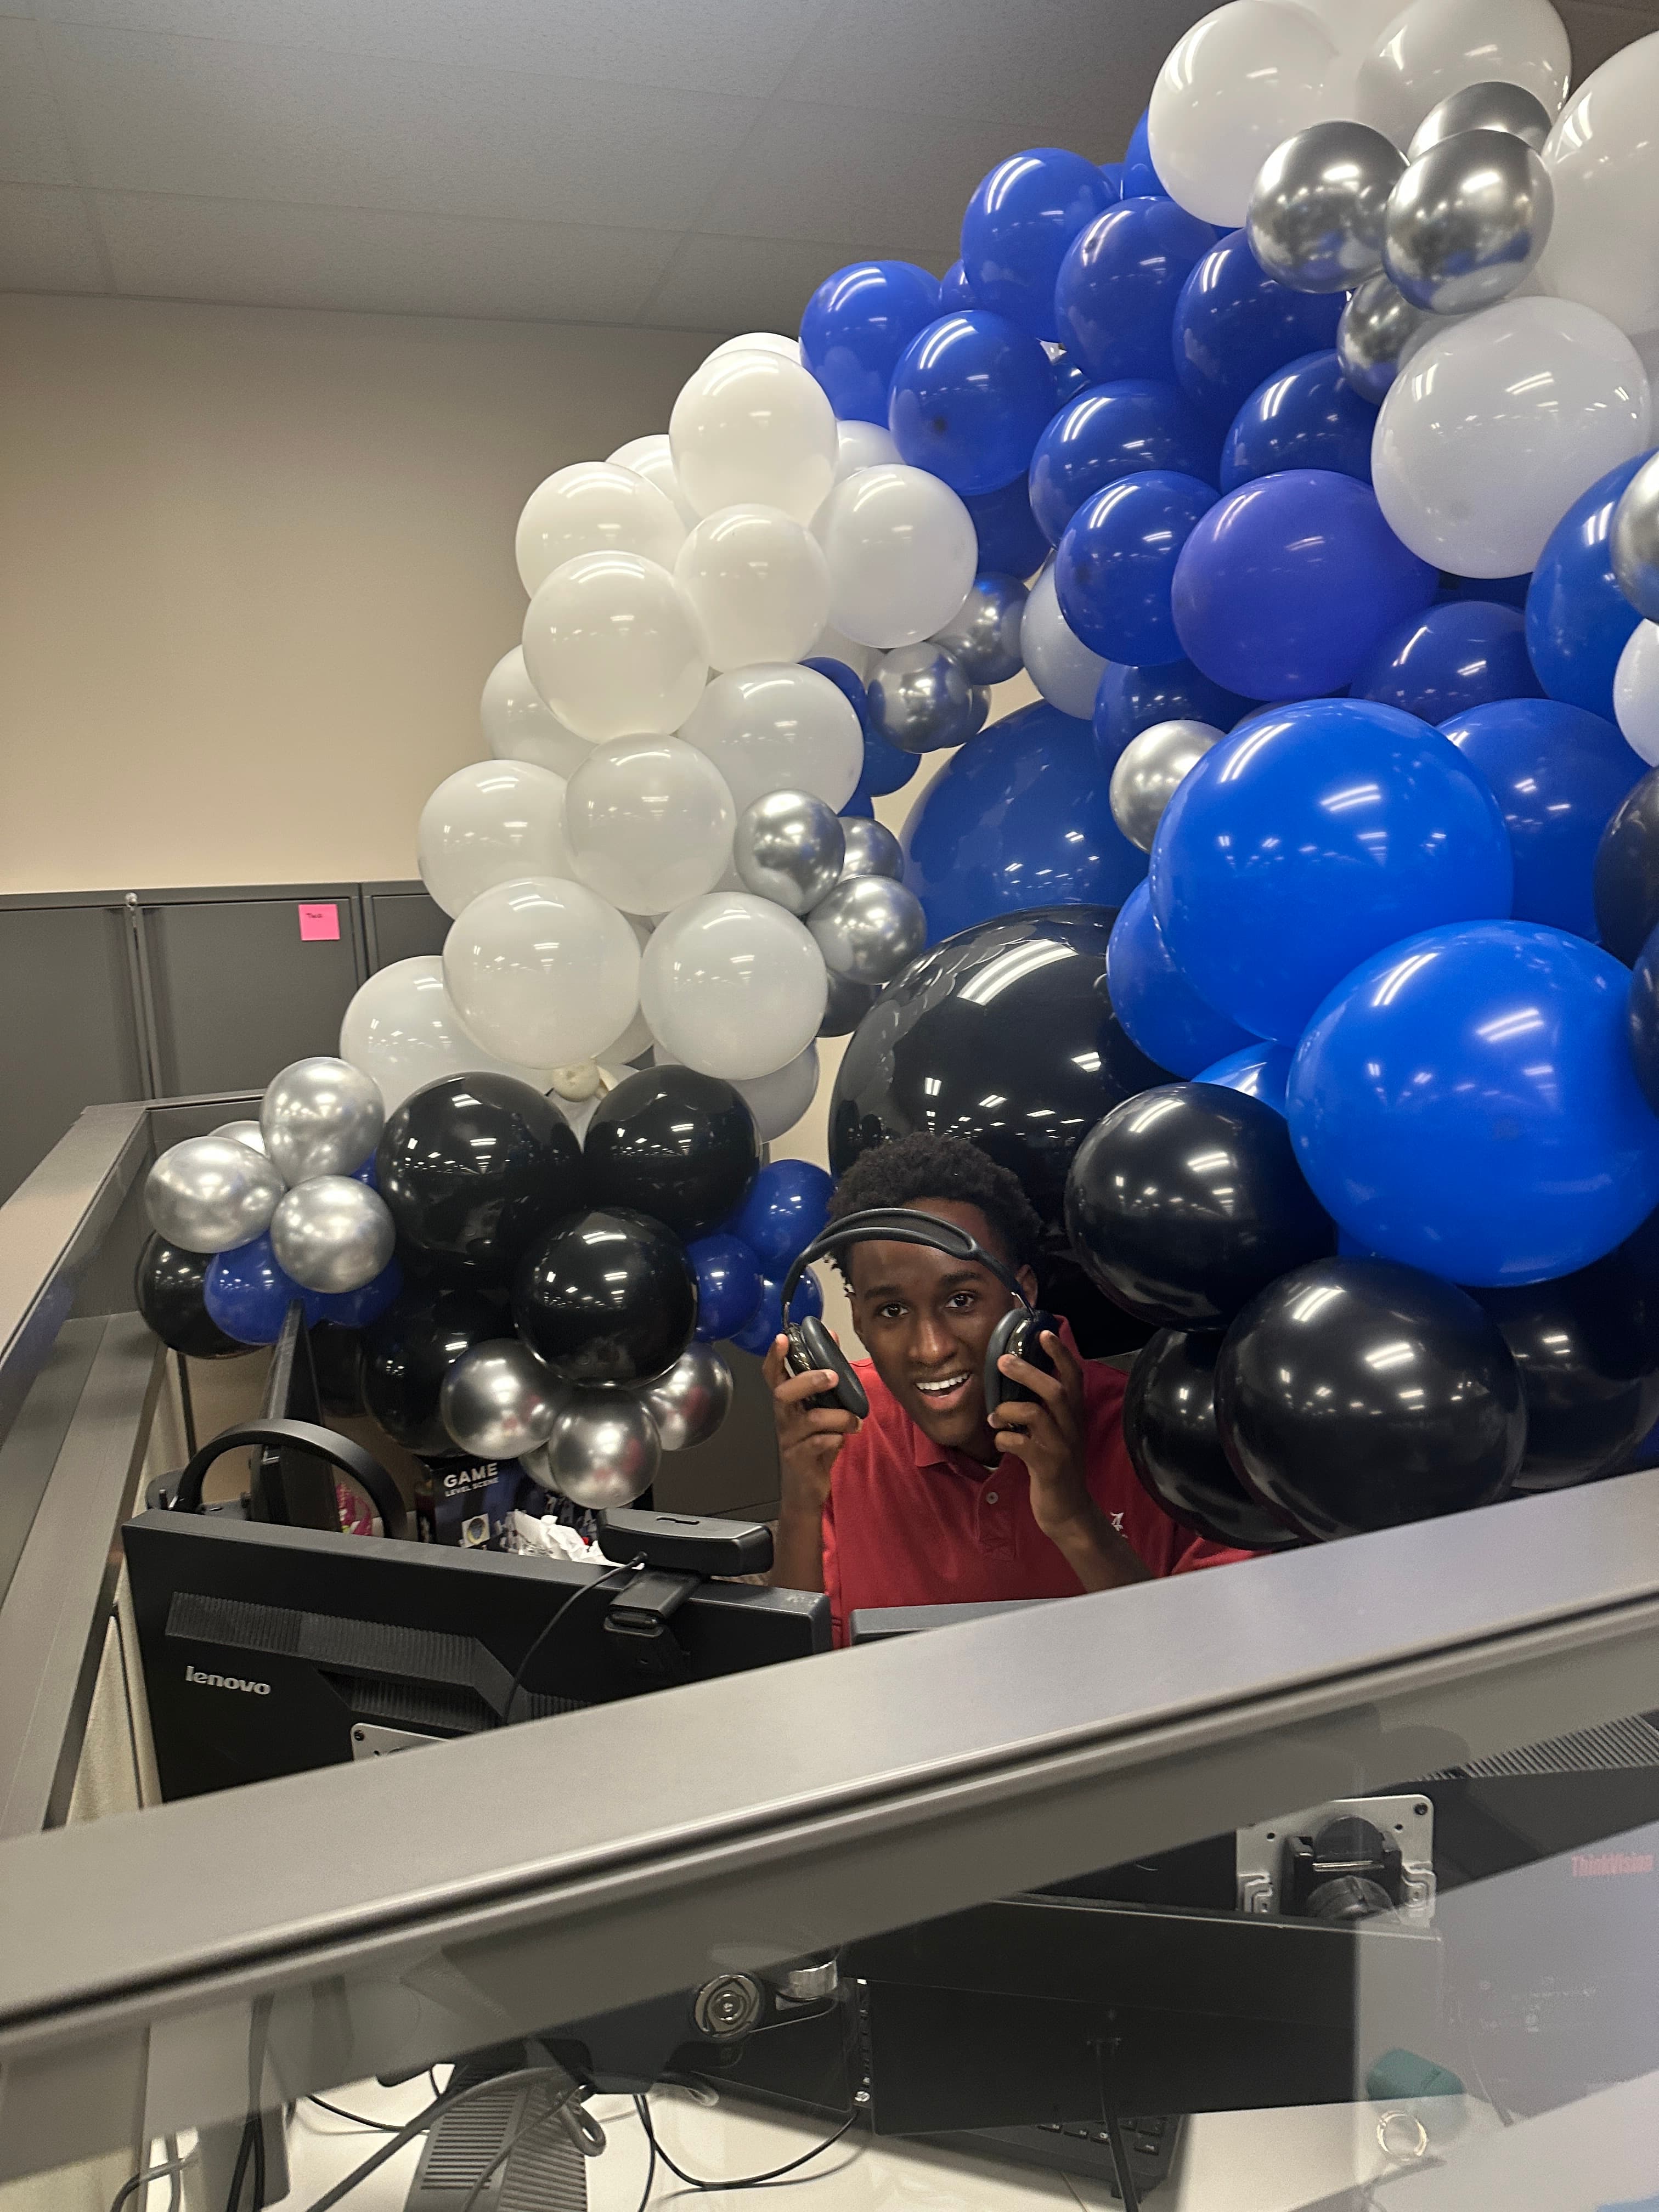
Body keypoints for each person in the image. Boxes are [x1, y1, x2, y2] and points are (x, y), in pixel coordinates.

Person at [763, 1131, 1252, 1642]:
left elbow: (1210, 1668)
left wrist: (1073, 1519)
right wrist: (800, 1503)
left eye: (961, 1301)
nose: (930, 1349)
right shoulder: (842, 1431)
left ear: (1023, 1298)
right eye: (892, 1311)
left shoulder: (1160, 1430)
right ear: (859, 1323)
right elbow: (790, 1683)